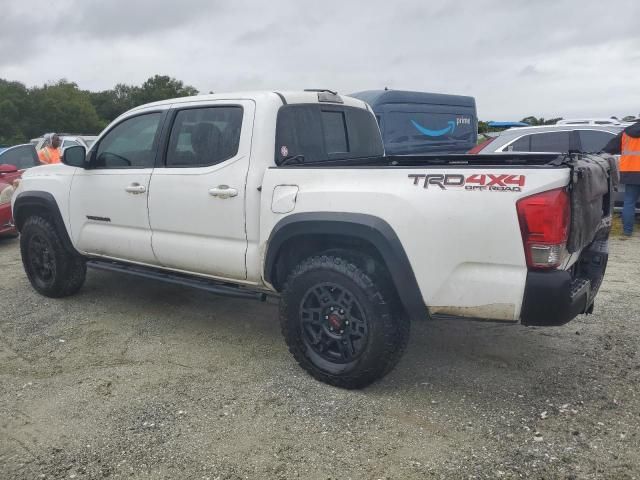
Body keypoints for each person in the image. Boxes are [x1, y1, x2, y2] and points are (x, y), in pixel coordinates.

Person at [604, 121, 640, 236]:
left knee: (629, 202)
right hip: (631, 171)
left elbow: (609, 148)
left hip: (631, 171)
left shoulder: (626, 132)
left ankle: (627, 231)